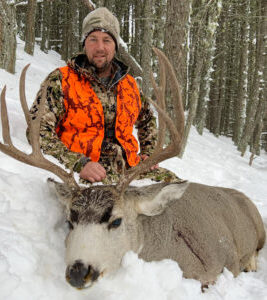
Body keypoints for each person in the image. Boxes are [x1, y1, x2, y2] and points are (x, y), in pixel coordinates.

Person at [28, 7, 181, 184]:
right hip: (87, 173)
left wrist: (150, 153)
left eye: (106, 40)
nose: (100, 47)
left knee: (174, 187)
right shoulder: (61, 80)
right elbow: (37, 130)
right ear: (84, 44)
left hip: (130, 169)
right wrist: (77, 163)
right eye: (93, 39)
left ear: (115, 46)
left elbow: (147, 120)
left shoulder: (130, 85)